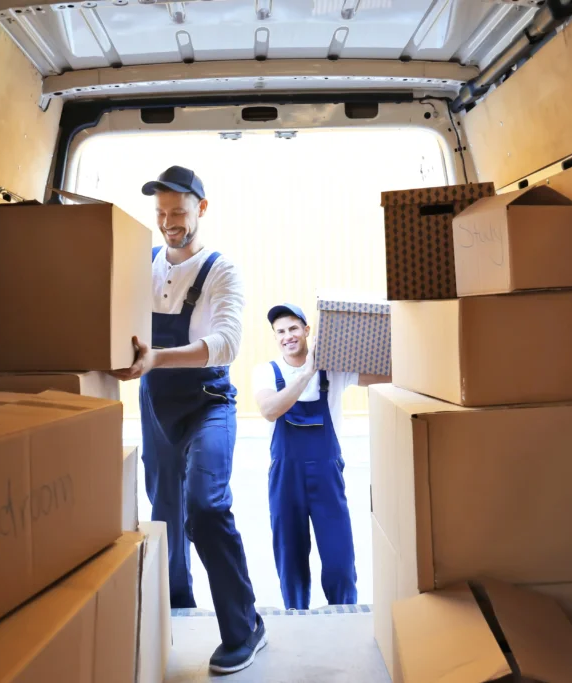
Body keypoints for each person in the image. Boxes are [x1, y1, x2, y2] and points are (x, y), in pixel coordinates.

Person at [111, 166, 265, 674]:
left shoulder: (222, 271)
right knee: (162, 513)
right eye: (160, 213)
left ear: (201, 208)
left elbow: (227, 345)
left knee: (204, 506)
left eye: (177, 211)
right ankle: (175, 606)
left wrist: (156, 357)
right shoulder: (145, 263)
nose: (168, 222)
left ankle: (245, 627)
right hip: (155, 405)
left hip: (208, 403)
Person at [252, 304, 390, 611]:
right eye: (281, 331)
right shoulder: (266, 372)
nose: (288, 336)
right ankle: (296, 617)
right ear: (275, 337)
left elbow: (390, 374)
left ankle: (345, 617)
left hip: (327, 475)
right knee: (291, 556)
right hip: (286, 477)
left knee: (339, 556)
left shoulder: (334, 370)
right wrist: (307, 372)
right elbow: (270, 410)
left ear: (307, 331)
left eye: (293, 328)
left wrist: (365, 339)